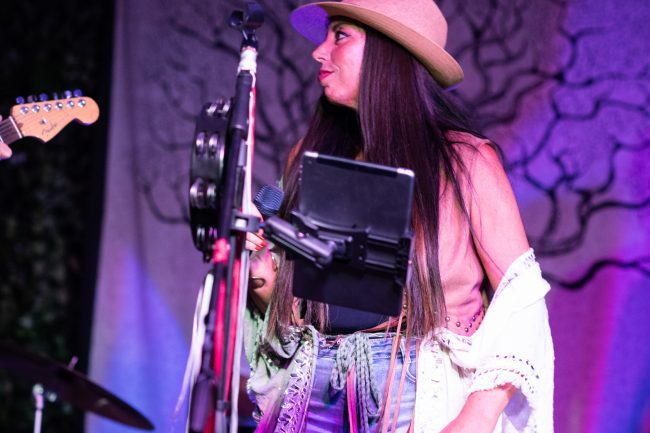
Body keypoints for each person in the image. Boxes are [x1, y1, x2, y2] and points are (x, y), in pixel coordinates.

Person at [244, 1, 554, 432]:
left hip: (414, 395)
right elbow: (301, 309)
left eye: (340, 35)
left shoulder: (464, 162)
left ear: (386, 51)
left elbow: (521, 299)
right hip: (312, 390)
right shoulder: (310, 156)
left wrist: (477, 416)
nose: (319, 51)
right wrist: (262, 278)